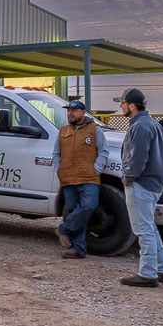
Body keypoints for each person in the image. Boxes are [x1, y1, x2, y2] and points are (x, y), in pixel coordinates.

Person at [116, 87, 163, 287]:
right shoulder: (152, 124)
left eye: (122, 103)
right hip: (153, 184)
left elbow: (138, 157)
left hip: (141, 184)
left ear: (131, 105)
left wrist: (128, 177)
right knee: (151, 227)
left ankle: (147, 273)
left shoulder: (140, 127)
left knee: (143, 229)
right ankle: (161, 268)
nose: (120, 107)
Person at [53, 100, 108, 260]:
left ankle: (64, 229)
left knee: (88, 206)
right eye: (68, 110)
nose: (70, 113)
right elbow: (56, 153)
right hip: (68, 178)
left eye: (74, 110)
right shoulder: (63, 131)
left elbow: (103, 151)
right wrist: (59, 169)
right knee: (72, 210)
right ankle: (78, 249)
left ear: (83, 112)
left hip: (88, 178)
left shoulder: (95, 129)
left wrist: (96, 169)